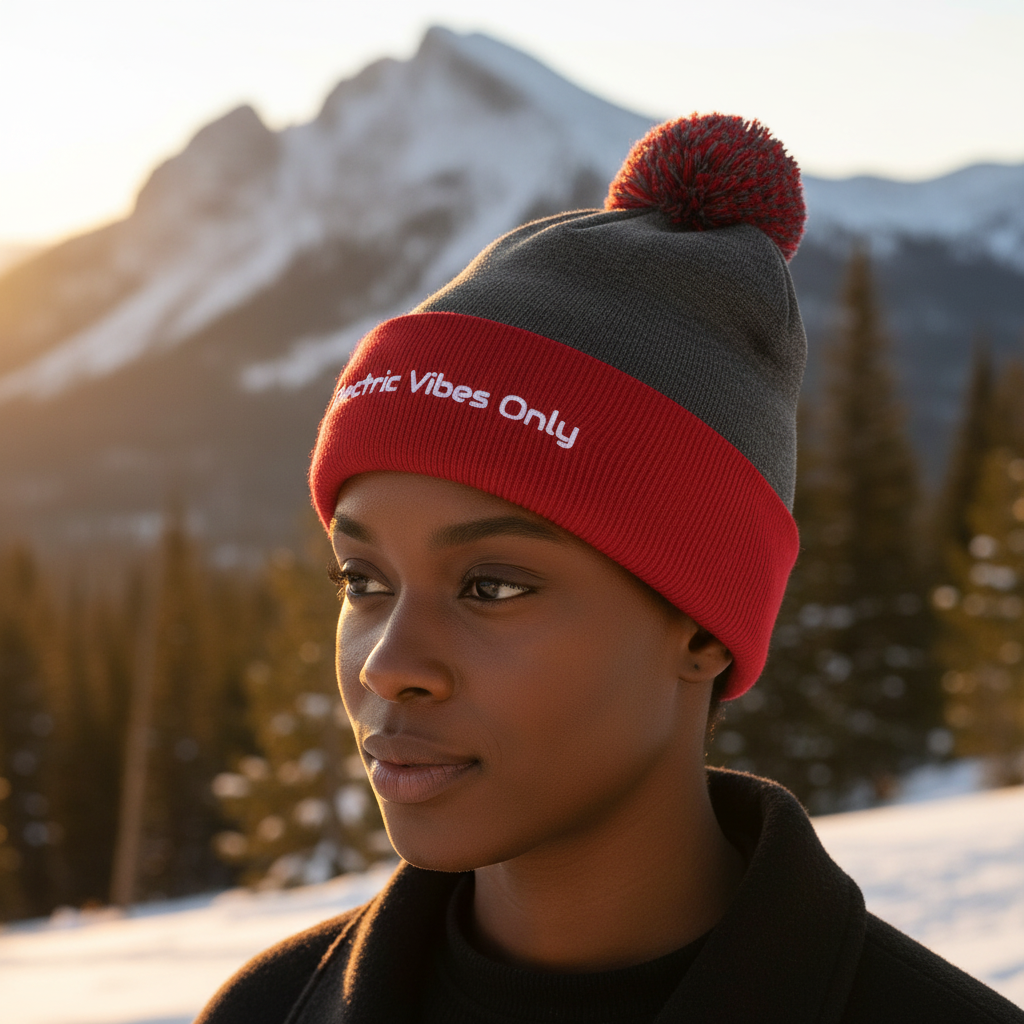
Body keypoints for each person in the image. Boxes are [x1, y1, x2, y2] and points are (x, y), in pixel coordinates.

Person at [196, 114, 1024, 1023]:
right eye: (363, 580)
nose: (387, 664)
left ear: (704, 626)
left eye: (492, 587)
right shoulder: (264, 1010)